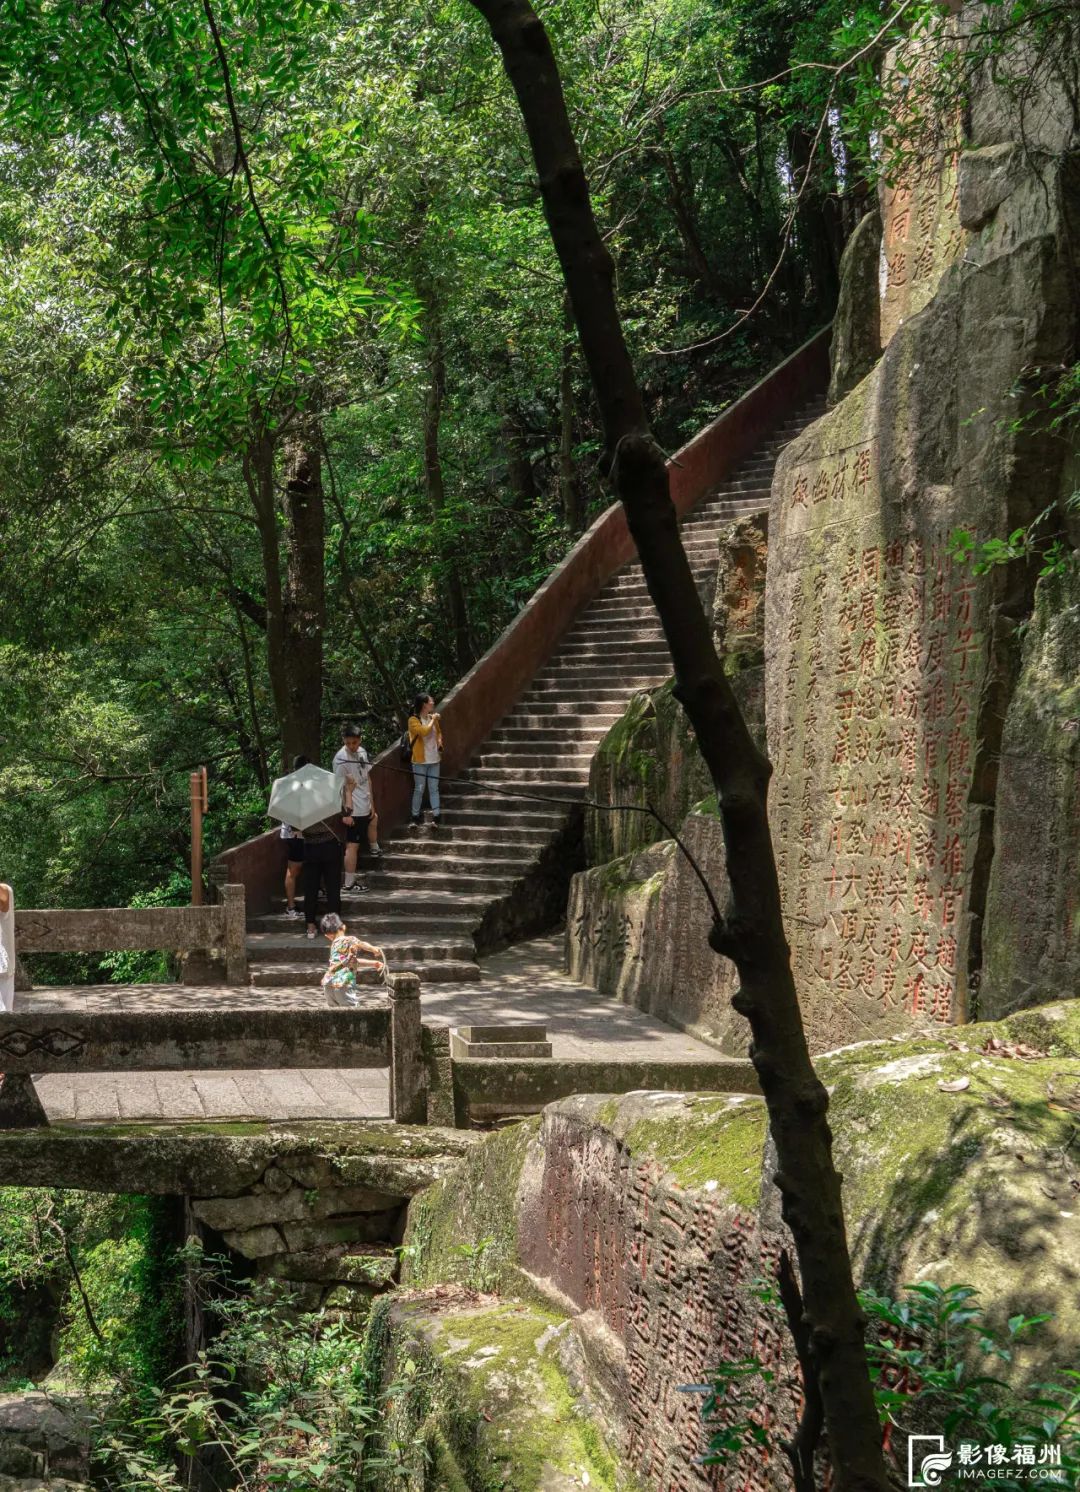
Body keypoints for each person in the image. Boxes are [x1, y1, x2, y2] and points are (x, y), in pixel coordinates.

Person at [332, 723, 382, 891]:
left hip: (365, 802)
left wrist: (372, 804)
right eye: (348, 743)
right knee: (352, 845)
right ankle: (349, 883)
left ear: (359, 740)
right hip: (353, 807)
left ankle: (374, 847)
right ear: (343, 741)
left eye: (354, 742)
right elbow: (338, 788)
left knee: (374, 819)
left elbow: (367, 777)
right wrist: (345, 813)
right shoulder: (340, 760)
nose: (352, 746)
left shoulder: (362, 752)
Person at [300, 768, 343, 939]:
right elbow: (343, 812)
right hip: (329, 844)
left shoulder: (300, 804)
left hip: (310, 846)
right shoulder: (328, 798)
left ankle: (311, 925)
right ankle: (333, 927)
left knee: (311, 888)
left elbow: (295, 828)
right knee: (332, 887)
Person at [319, 913, 385, 992]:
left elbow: (349, 961)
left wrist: (373, 963)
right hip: (344, 984)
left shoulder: (334, 946)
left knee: (337, 1005)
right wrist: (373, 949)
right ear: (343, 927)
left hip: (328, 984)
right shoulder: (349, 939)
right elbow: (361, 944)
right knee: (351, 1004)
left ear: (327, 935)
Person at [408, 693, 443, 830]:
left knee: (434, 789)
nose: (433, 703)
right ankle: (415, 816)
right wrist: (433, 719)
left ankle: (436, 816)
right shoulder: (413, 720)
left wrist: (440, 743)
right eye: (431, 702)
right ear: (424, 704)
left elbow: (438, 732)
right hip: (420, 761)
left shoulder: (431, 718)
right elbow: (423, 732)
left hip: (434, 759)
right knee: (419, 789)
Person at [281, 754, 308, 921]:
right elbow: (288, 808)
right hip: (294, 833)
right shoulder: (291, 785)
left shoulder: (302, 784)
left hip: (302, 833)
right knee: (293, 870)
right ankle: (290, 907)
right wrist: (296, 828)